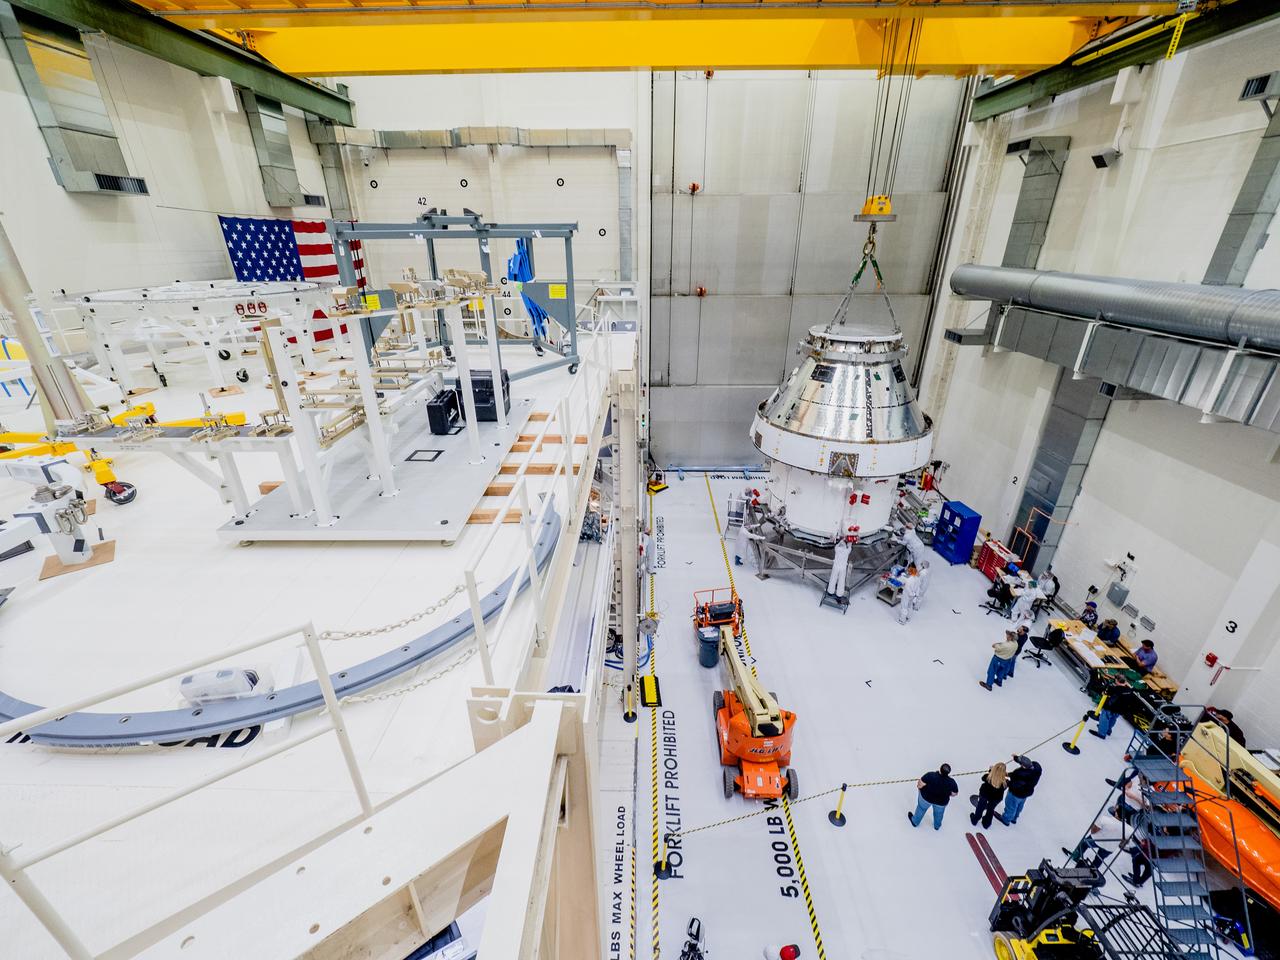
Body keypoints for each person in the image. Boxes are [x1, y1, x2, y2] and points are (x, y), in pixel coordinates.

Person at [908, 763, 959, 830]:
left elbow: (920, 784)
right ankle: (937, 826)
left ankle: (915, 822)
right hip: (941, 802)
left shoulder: (930, 775)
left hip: (925, 798)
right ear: (948, 773)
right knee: (939, 814)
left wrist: (919, 789)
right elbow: (954, 793)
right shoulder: (951, 782)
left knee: (921, 809)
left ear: (940, 769)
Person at [997, 754, 1042, 825]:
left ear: (1023, 767)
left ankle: (1006, 819)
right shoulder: (1036, 768)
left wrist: (1005, 780)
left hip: (1016, 793)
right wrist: (1016, 758)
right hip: (1025, 793)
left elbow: (1014, 784)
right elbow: (1025, 764)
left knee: (1011, 806)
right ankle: (1014, 818)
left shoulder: (1022, 775)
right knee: (1019, 806)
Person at [970, 762, 1008, 829]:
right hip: (996, 798)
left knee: (980, 807)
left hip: (985, 794)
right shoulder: (1005, 782)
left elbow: (983, 778)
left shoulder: (988, 777)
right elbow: (1003, 787)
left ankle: (975, 819)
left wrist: (990, 771)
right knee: (991, 810)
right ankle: (986, 823)